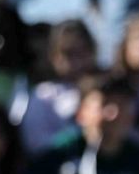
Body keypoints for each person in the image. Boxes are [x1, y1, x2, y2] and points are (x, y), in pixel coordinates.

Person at [17, 20, 98, 155]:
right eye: (69, 54)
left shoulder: (107, 89)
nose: (77, 61)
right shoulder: (42, 95)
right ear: (54, 57)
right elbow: (35, 144)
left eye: (83, 51)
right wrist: (75, 135)